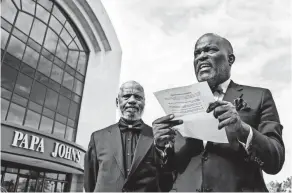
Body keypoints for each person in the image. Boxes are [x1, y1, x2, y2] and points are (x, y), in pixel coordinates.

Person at [153, 33, 285, 192]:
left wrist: (242, 130)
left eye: (210, 50)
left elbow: (275, 161)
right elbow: (166, 175)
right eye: (197, 53)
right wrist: (160, 149)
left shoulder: (260, 97)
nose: (201, 56)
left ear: (230, 59)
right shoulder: (178, 103)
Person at [84, 81, 168, 192]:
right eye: (126, 96)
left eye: (138, 97)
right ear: (117, 102)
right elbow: (90, 183)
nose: (132, 100)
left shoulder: (158, 137)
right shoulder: (97, 137)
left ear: (144, 103)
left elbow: (166, 180)